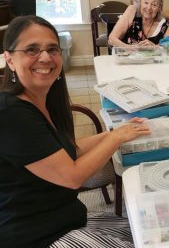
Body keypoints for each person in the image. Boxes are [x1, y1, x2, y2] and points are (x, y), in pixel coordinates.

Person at [0, 15, 150, 247]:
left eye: (52, 49)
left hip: (62, 218)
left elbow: (67, 150)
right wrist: (117, 138)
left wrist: (113, 132)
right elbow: (71, 176)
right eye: (32, 50)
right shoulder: (11, 113)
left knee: (144, 228)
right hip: (36, 236)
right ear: (10, 59)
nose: (45, 57)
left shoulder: (41, 100)